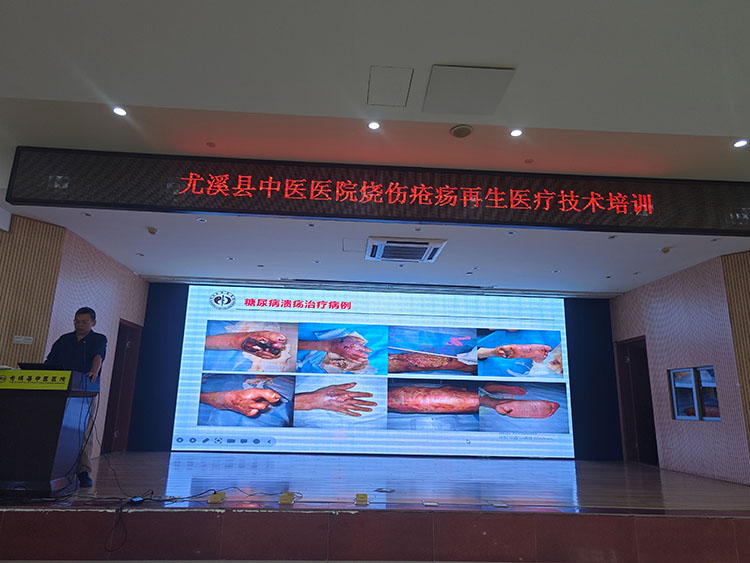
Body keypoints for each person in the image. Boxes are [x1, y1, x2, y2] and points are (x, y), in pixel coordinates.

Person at [45, 307, 107, 488]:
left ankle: (83, 471)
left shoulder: (98, 339)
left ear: (93, 323)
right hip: (59, 390)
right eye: (77, 322)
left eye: (84, 322)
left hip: (83, 389)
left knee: (84, 430)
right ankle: (54, 468)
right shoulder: (64, 339)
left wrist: (93, 372)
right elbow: (50, 361)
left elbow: (98, 357)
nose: (79, 325)